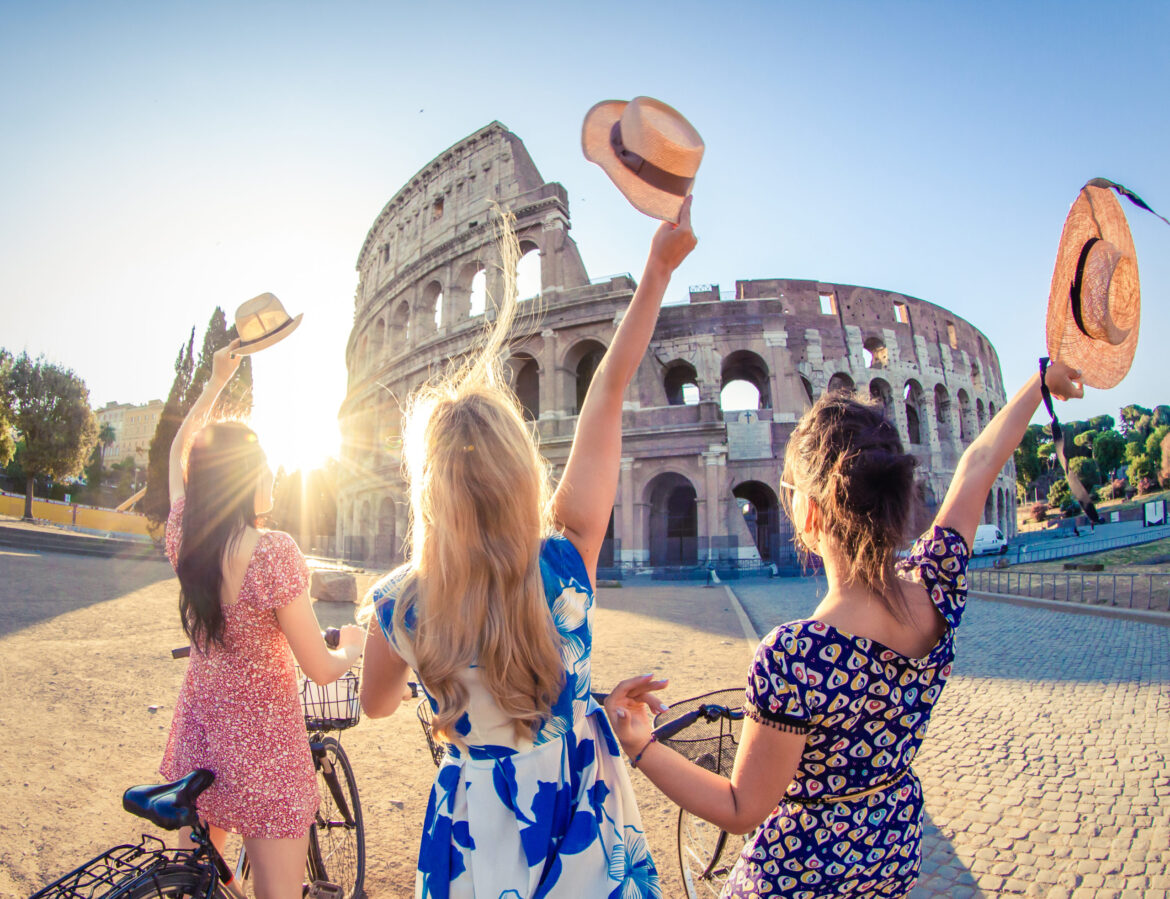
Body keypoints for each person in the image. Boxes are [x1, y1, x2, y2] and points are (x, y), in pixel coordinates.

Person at [605, 360, 1084, 898]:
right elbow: (979, 464)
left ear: (808, 511)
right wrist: (1037, 385)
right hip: (891, 854)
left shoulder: (793, 655)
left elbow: (741, 809)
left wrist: (640, 744)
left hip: (797, 879)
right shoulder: (937, 588)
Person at [358, 199, 697, 898]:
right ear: (522, 475)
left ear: (430, 491)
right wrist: (658, 269)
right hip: (578, 814)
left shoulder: (398, 605)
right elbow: (606, 391)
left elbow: (377, 703)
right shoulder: (567, 562)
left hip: (474, 827)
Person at [161, 339, 364, 899]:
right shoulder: (272, 551)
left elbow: (180, 455)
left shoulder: (185, 536)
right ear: (246, 478)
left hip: (201, 733)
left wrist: (214, 382)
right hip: (266, 751)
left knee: (192, 887)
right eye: (266, 467)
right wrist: (354, 645)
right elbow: (319, 668)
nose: (274, 476)